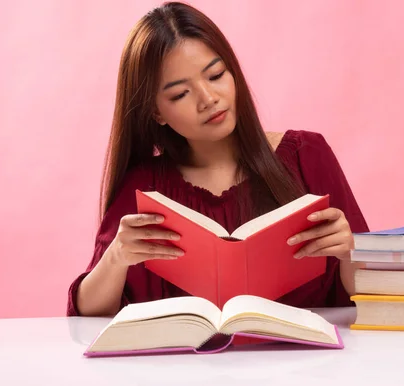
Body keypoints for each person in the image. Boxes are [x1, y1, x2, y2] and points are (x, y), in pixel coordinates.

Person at [66, 1, 369, 317]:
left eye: (215, 75)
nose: (208, 99)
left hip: (308, 362)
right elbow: (86, 314)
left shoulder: (307, 155)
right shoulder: (144, 187)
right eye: (180, 94)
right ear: (156, 112)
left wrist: (349, 252)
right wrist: (115, 256)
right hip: (188, 364)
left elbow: (373, 294)